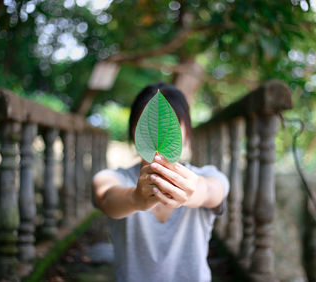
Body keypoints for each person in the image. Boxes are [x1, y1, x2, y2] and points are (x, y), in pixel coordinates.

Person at [92, 82, 229, 282]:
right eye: (147, 124)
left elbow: (211, 191)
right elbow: (107, 198)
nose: (159, 131)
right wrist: (135, 198)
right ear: (133, 132)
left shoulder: (208, 175)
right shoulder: (112, 178)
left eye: (171, 124)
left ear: (187, 134)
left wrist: (192, 191)